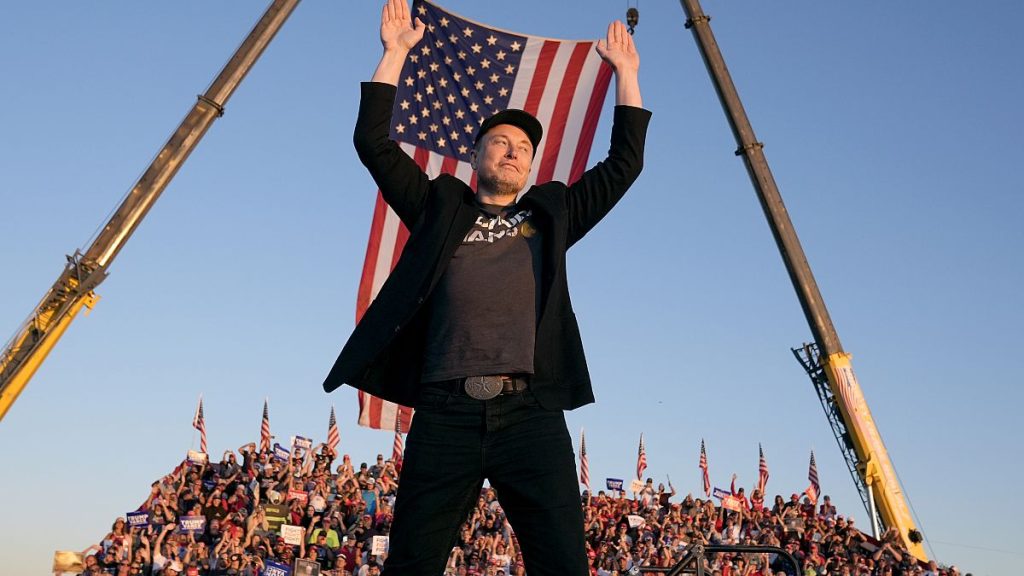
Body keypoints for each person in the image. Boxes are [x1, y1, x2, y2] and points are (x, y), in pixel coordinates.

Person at [321, 1, 648, 573]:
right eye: (500, 142)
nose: (514, 150)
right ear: (476, 156)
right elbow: (373, 143)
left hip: (531, 414)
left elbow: (623, 164)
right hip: (445, 412)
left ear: (530, 168)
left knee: (564, 563)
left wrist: (627, 73)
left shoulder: (552, 216)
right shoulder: (439, 207)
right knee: (412, 563)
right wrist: (394, 53)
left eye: (523, 147)